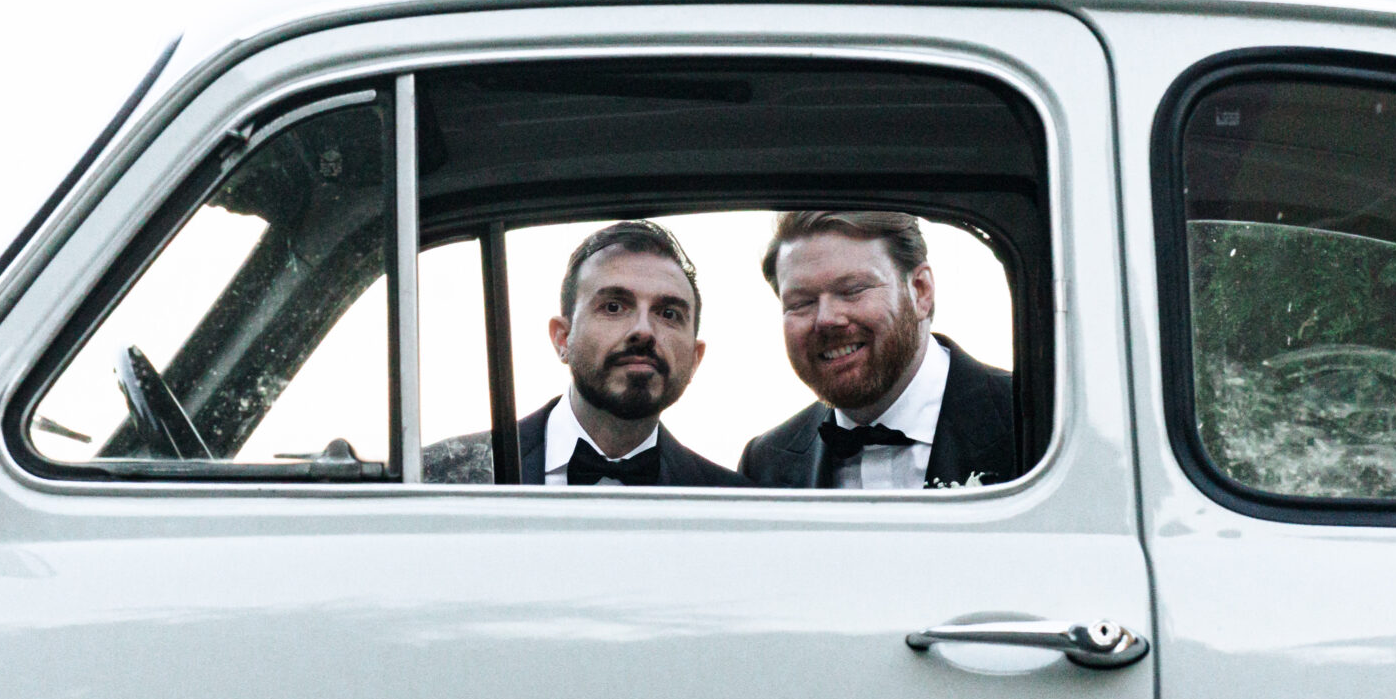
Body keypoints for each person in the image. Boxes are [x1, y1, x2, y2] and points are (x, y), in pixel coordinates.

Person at [422, 220, 745, 487]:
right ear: (562, 338)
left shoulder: (734, 501)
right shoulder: (442, 477)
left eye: (669, 314)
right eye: (614, 307)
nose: (644, 330)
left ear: (695, 359)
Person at [738, 209, 1018, 490]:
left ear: (921, 291)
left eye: (852, 290)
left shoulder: (1028, 420)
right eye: (801, 303)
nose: (826, 319)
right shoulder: (765, 464)